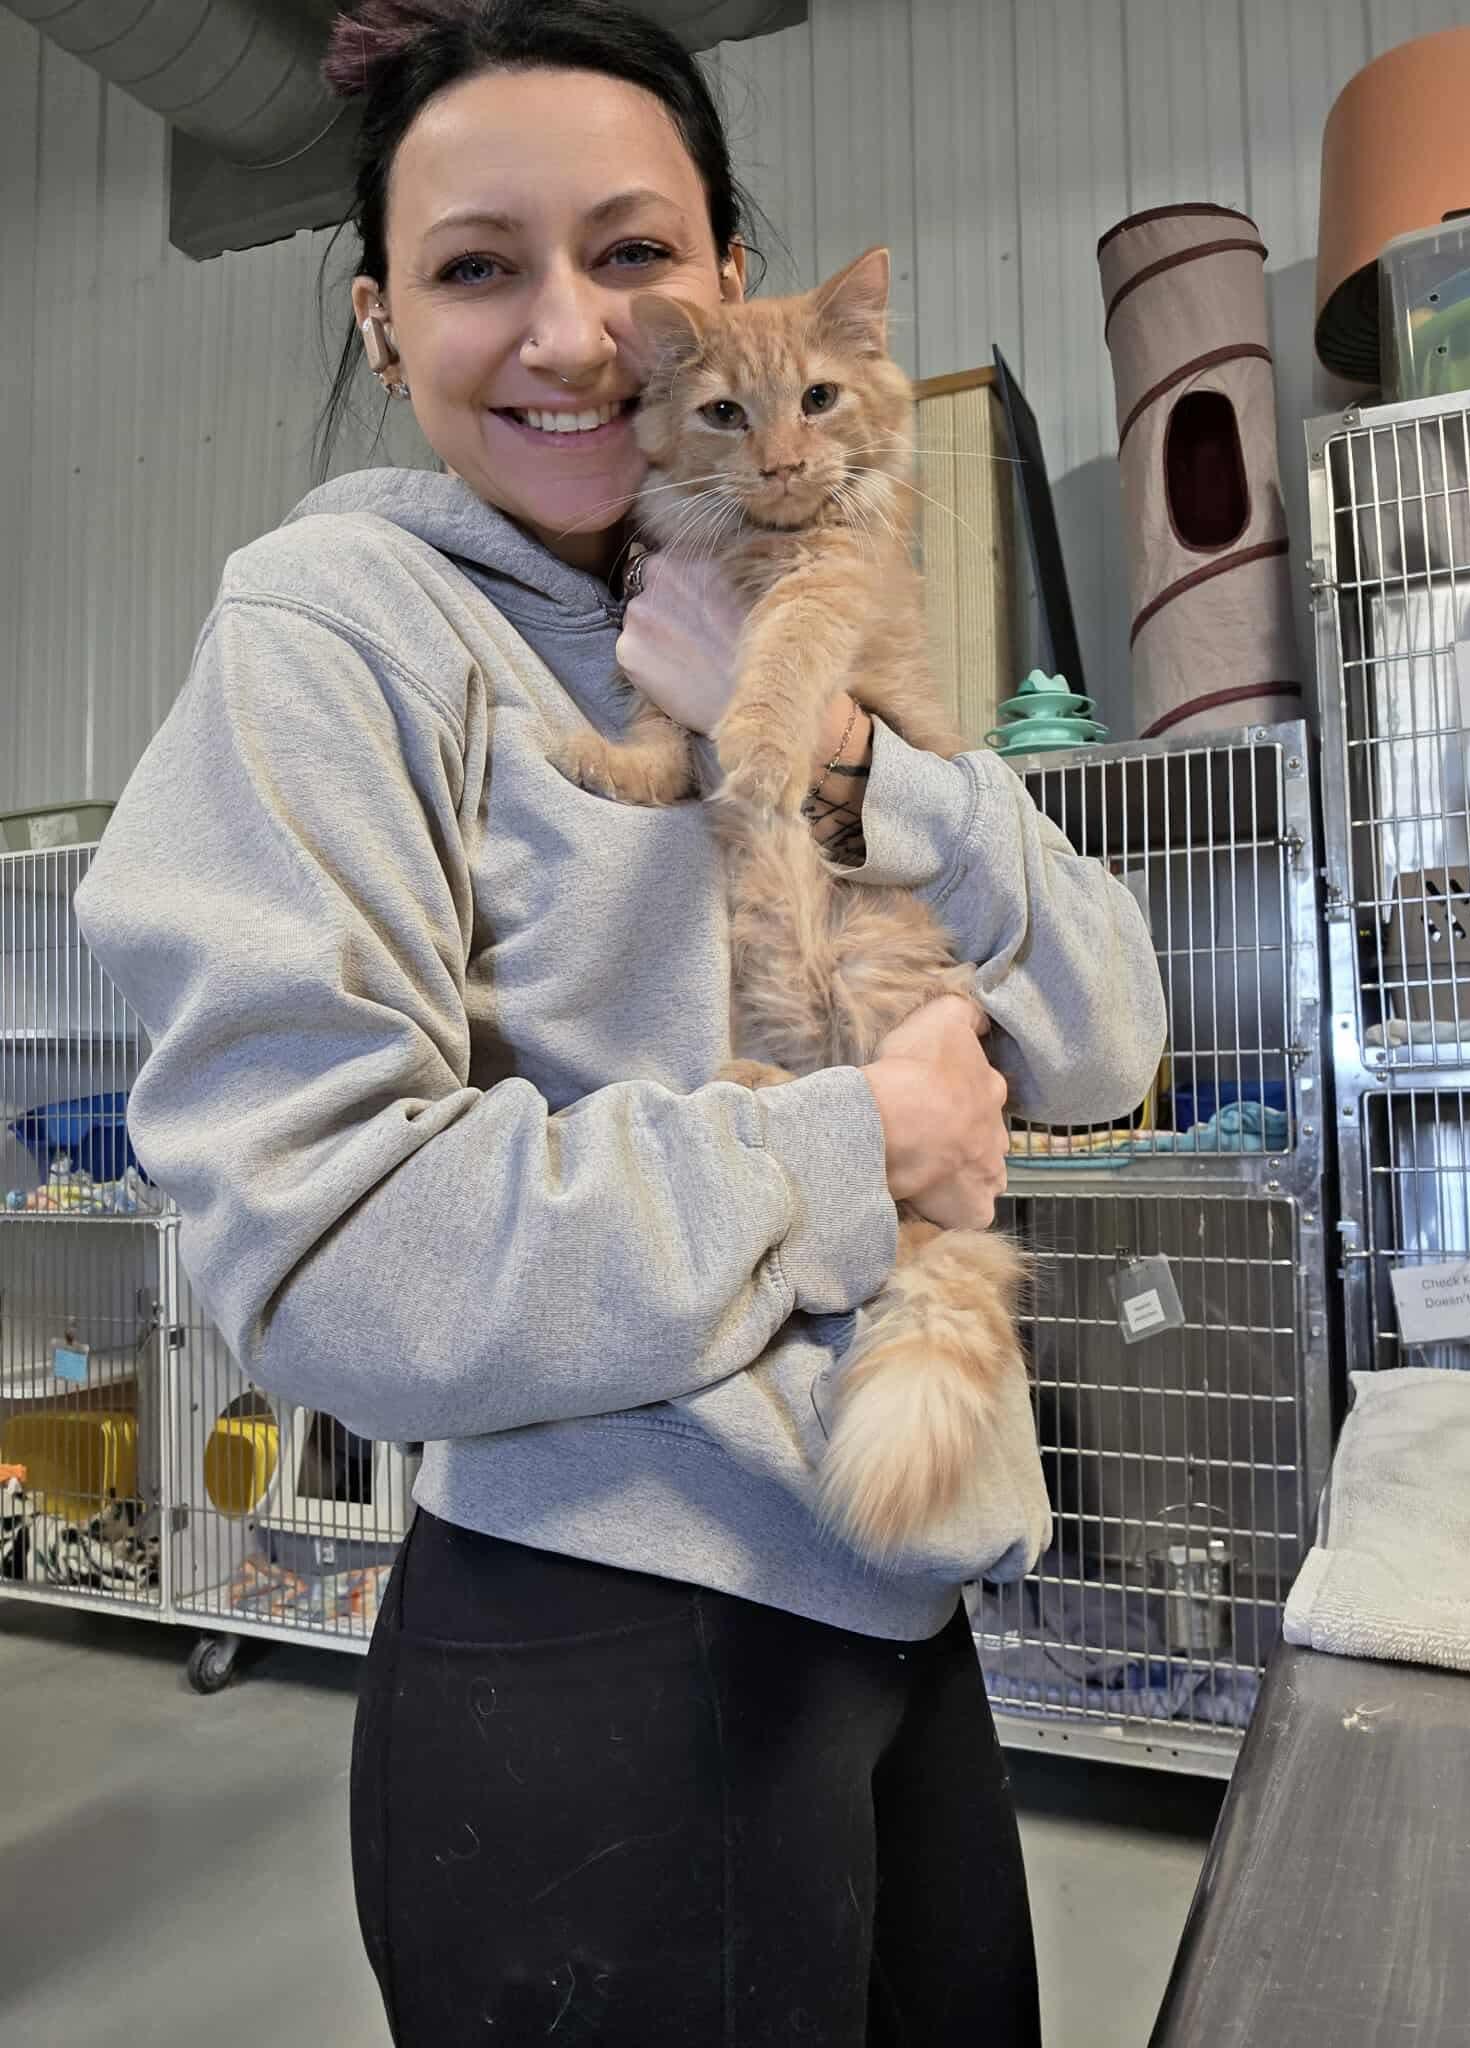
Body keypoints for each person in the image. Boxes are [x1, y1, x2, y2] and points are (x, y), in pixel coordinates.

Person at [75, 3, 1166, 2042]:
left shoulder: (801, 567)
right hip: (600, 1624)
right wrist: (862, 1150)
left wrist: (846, 746)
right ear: (383, 318)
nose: (572, 335)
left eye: (634, 251)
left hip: (904, 1580)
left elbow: (1111, 1034)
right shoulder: (338, 631)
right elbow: (321, 1249)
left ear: (721, 287)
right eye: (478, 266)